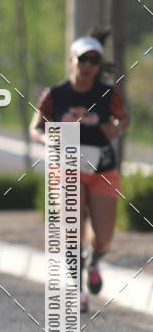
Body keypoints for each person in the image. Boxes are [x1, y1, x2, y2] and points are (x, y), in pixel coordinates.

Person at [30, 35, 129, 312]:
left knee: (104, 236)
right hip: (67, 168)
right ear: (71, 60)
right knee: (72, 231)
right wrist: (48, 138)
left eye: (93, 60)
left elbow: (124, 117)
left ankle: (95, 262)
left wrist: (117, 128)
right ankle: (77, 289)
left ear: (98, 65)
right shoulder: (55, 94)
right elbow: (35, 127)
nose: (87, 65)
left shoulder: (108, 93)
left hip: (103, 169)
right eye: (82, 59)